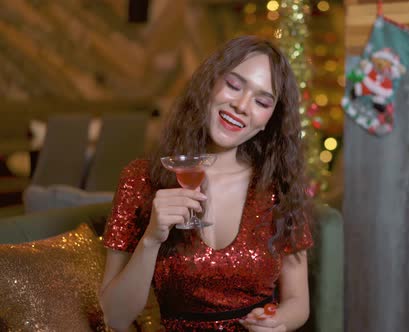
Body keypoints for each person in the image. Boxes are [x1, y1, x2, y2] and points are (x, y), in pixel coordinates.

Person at [99, 35, 313, 332]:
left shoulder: (281, 186)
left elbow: (298, 302)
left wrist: (278, 323)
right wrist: (151, 239)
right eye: (234, 85)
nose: (241, 105)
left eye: (262, 101)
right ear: (209, 84)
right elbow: (115, 318)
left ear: (269, 120)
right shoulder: (140, 178)